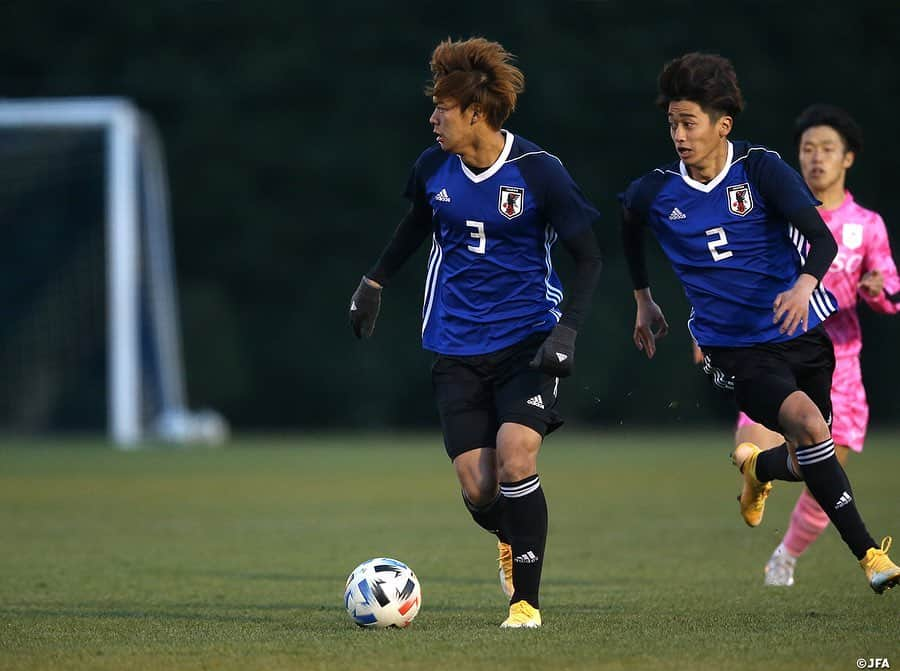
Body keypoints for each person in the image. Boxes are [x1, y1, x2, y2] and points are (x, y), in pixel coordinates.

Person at [620, 52, 899, 594]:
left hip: (802, 334)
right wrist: (643, 299)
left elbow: (822, 239)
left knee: (808, 456)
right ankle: (869, 554)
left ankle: (760, 471)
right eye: (672, 122)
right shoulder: (655, 190)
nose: (678, 133)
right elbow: (628, 225)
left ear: (722, 126)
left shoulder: (762, 168)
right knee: (815, 430)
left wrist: (804, 283)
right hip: (733, 347)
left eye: (689, 122)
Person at [348, 37, 602, 627]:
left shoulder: (540, 173)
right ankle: (508, 534)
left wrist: (567, 331)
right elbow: (415, 226)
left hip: (527, 342)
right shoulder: (432, 167)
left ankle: (526, 605)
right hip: (455, 346)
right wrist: (373, 283)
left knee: (517, 457)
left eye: (442, 108)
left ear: (476, 114)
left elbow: (588, 257)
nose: (432, 118)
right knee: (480, 486)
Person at [724, 104, 900, 586]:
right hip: (772, 351)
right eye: (807, 149)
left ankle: (785, 558)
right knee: (745, 452)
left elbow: (893, 293)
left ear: (848, 159)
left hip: (839, 366)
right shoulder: (777, 212)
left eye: (827, 149)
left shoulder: (867, 225)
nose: (816, 158)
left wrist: (879, 289)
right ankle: (757, 471)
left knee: (820, 476)